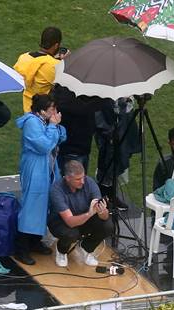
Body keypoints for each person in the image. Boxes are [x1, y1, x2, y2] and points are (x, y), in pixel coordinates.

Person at [15, 94, 66, 265]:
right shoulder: (31, 123)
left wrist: (55, 127)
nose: (55, 111)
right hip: (35, 166)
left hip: (48, 167)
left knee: (44, 204)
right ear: (42, 109)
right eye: (52, 108)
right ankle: (21, 248)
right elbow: (43, 145)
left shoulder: (44, 121)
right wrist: (53, 126)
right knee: (32, 205)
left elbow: (62, 136)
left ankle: (35, 241)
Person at [47, 160, 113, 268]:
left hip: (84, 218)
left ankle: (86, 248)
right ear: (67, 178)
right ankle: (61, 251)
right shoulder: (57, 190)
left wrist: (102, 211)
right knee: (71, 234)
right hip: (61, 222)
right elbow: (70, 222)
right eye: (78, 179)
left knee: (108, 226)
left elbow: (104, 217)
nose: (82, 181)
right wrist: (89, 213)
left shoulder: (89, 183)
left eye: (83, 177)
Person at [51, 84, 104, 176]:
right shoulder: (68, 99)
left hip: (79, 146)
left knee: (76, 182)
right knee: (73, 184)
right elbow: (82, 109)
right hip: (72, 148)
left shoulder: (62, 94)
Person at [14, 26, 64, 114]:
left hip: (27, 108)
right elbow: (65, 85)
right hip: (45, 111)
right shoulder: (53, 65)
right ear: (56, 45)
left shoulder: (23, 57)